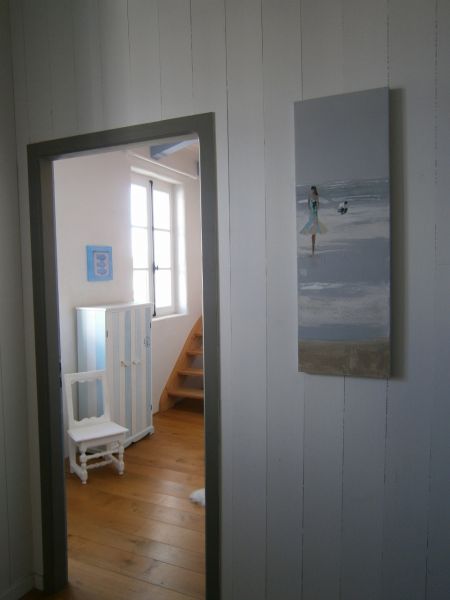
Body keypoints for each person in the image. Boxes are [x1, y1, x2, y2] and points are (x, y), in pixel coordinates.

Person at [300, 185, 327, 255]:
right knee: (312, 233)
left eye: (313, 190)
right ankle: (313, 251)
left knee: (313, 233)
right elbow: (309, 205)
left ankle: (313, 251)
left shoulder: (316, 196)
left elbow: (317, 206)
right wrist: (313, 209)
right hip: (311, 216)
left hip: (314, 216)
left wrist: (314, 209)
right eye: (311, 190)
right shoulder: (310, 196)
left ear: (314, 190)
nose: (312, 191)